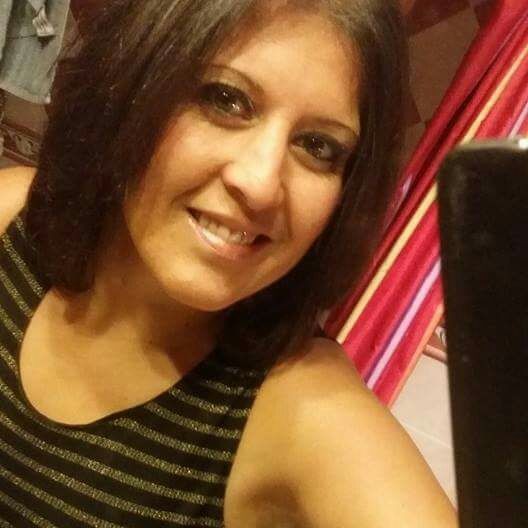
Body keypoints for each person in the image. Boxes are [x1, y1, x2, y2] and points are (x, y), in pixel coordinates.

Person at [0, 0, 459, 526]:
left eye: (317, 146)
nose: (260, 184)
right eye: (226, 99)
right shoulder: (11, 217)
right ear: (132, 82)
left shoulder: (302, 411)